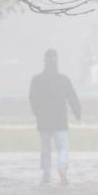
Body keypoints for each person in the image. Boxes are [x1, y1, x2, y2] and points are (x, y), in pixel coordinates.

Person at [29, 49, 81, 185]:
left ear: (44, 60)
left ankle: (46, 174)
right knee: (62, 147)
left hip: (44, 120)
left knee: (45, 148)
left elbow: (32, 98)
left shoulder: (37, 80)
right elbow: (72, 97)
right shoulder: (63, 80)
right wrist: (77, 112)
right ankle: (62, 167)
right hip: (60, 120)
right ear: (57, 61)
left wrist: (36, 112)